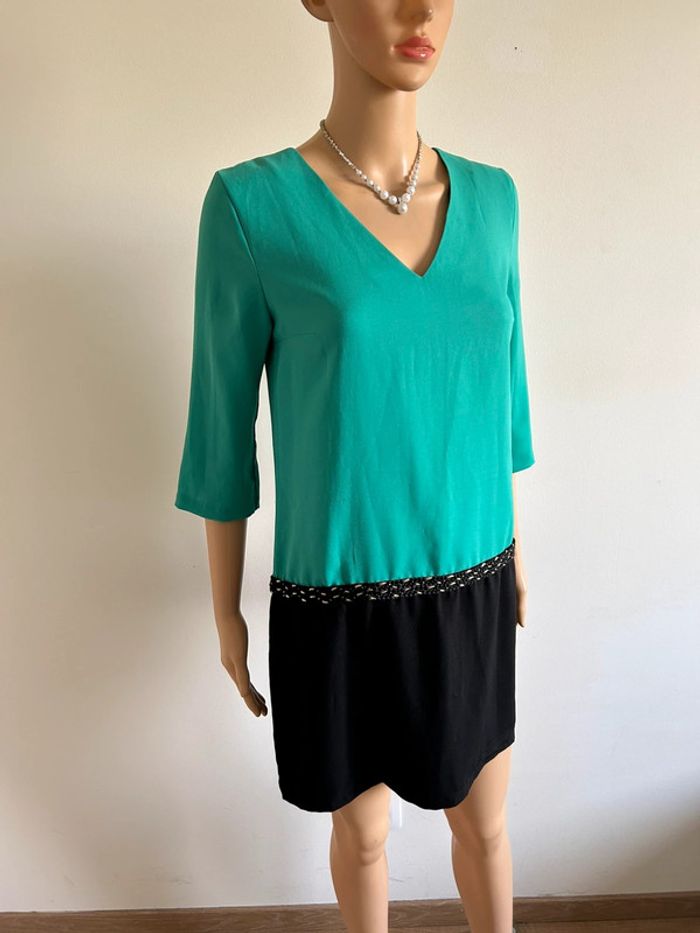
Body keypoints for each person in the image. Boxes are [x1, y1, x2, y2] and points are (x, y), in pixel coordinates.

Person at [174, 2, 536, 931]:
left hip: (474, 579)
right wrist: (226, 608)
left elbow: (501, 401)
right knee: (364, 836)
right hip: (340, 597)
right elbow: (221, 431)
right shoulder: (252, 208)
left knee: (486, 824)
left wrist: (515, 548)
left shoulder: (494, 201)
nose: (421, 11)